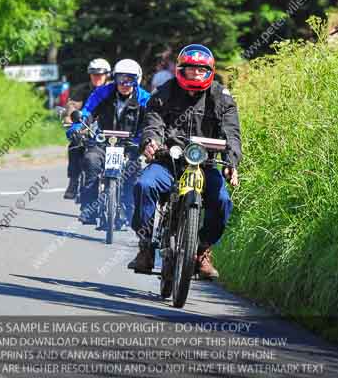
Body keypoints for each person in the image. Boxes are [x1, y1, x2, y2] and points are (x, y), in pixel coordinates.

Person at [128, 43, 241, 279]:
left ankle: (202, 251)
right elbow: (153, 121)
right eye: (191, 69)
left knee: (222, 200)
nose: (196, 74)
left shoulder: (221, 97)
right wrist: (151, 142)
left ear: (209, 71)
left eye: (201, 70)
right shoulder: (165, 91)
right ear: (181, 69)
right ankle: (146, 247)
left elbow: (231, 133)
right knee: (144, 185)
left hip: (205, 165)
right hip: (168, 161)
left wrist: (231, 162)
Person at [66, 59, 150, 225]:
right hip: (103, 140)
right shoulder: (102, 92)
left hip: (131, 143)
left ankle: (129, 210)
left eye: (130, 79)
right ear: (114, 78)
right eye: (121, 79)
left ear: (137, 80)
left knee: (133, 175)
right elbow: (87, 112)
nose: (125, 84)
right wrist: (76, 127)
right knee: (91, 161)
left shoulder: (145, 98)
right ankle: (88, 208)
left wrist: (144, 139)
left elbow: (151, 122)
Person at [62, 58, 111, 200]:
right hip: (87, 127)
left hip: (110, 129)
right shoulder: (82, 90)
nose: (96, 77)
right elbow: (72, 107)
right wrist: (70, 121)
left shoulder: (113, 90)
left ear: (107, 74)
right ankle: (73, 180)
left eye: (100, 74)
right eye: (93, 74)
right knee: (75, 144)